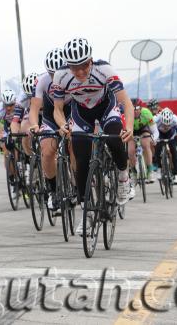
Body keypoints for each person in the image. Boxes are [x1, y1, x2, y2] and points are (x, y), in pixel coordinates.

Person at [53, 38, 134, 235]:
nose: (80, 72)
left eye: (84, 65)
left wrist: (129, 127)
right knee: (81, 161)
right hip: (81, 113)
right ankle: (87, 212)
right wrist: (62, 124)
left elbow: (126, 103)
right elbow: (57, 108)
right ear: (68, 66)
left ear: (91, 60)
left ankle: (123, 178)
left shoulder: (104, 70)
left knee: (115, 138)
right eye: (75, 67)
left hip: (107, 108)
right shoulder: (61, 76)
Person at [29, 48, 71, 211]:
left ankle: (77, 182)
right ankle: (53, 191)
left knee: (76, 147)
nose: (55, 78)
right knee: (46, 151)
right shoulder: (42, 81)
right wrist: (34, 124)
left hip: (71, 113)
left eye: (59, 73)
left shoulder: (74, 77)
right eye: (51, 74)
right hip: (50, 116)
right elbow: (33, 110)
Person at [128, 103, 160, 182]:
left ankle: (150, 171)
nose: (135, 112)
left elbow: (155, 131)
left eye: (137, 110)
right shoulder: (127, 114)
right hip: (131, 131)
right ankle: (134, 173)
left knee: (146, 145)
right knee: (130, 151)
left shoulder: (147, 113)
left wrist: (153, 139)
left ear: (141, 109)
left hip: (143, 130)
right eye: (133, 110)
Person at [153, 108, 177, 184]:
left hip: (171, 134)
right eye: (164, 124)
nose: (166, 126)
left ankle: (175, 175)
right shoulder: (156, 119)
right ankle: (159, 168)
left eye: (168, 124)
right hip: (159, 134)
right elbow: (152, 130)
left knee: (174, 153)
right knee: (157, 149)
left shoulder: (175, 119)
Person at [13, 72, 39, 156]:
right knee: (25, 133)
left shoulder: (47, 89)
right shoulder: (21, 99)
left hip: (46, 112)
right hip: (31, 113)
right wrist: (15, 135)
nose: (33, 99)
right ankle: (32, 158)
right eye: (30, 97)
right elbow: (15, 121)